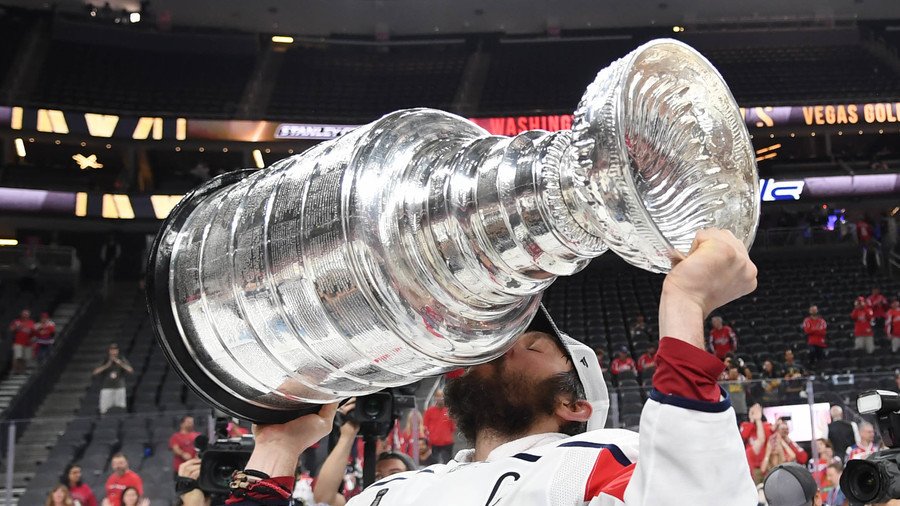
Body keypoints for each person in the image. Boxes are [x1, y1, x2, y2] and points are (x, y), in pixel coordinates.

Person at [225, 228, 760, 505]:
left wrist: (686, 304)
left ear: (574, 404)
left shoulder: (600, 459)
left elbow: (695, 496)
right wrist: (280, 446)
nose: (495, 343)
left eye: (528, 342)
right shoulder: (391, 492)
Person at [92, 344, 133, 414]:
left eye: (115, 350)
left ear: (118, 351)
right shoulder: (105, 359)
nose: (113, 352)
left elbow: (130, 370)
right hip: (106, 388)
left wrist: (120, 364)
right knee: (104, 410)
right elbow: (95, 372)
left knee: (121, 409)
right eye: (112, 350)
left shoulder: (122, 359)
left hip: (119, 388)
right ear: (109, 351)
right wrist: (107, 365)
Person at [739, 403, 772, 484]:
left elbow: (764, 439)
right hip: (751, 462)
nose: (755, 412)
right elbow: (744, 435)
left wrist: (758, 420)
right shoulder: (745, 425)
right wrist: (752, 420)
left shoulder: (766, 426)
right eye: (753, 410)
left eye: (757, 410)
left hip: (765, 463)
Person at [422, 389, 455, 465]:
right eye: (438, 396)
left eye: (442, 396)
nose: (440, 399)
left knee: (447, 465)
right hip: (433, 444)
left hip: (447, 444)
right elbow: (425, 426)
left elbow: (452, 427)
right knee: (434, 465)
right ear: (435, 397)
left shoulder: (449, 411)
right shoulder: (429, 412)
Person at [8, 309, 34, 374]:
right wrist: (17, 327)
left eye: (27, 314)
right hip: (18, 342)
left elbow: (33, 332)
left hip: (27, 343)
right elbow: (11, 329)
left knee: (24, 358)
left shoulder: (31, 322)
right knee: (17, 357)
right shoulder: (17, 321)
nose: (25, 315)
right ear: (21, 314)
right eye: (24, 314)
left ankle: (23, 371)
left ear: (29, 315)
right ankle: (14, 371)